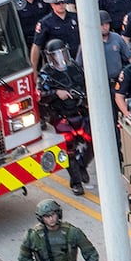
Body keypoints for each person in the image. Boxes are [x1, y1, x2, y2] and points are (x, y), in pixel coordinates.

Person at [39, 39, 91, 194]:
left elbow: (85, 84)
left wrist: (85, 98)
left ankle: (82, 164)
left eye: (62, 53)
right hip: (61, 116)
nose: (60, 58)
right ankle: (76, 182)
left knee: (93, 141)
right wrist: (56, 93)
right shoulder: (46, 74)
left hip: (80, 111)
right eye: (56, 55)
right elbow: (40, 95)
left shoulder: (74, 67)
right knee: (69, 150)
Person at [31, 0, 80, 70]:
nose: (60, 5)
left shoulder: (75, 17)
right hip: (58, 65)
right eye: (57, 3)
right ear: (51, 4)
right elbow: (36, 46)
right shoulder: (45, 23)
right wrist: (34, 69)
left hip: (78, 61)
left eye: (62, 2)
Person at [98, 15, 131, 86]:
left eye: (107, 24)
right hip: (98, 83)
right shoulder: (89, 42)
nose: (105, 27)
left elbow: (130, 57)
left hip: (117, 80)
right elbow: (78, 64)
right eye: (101, 24)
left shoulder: (117, 38)